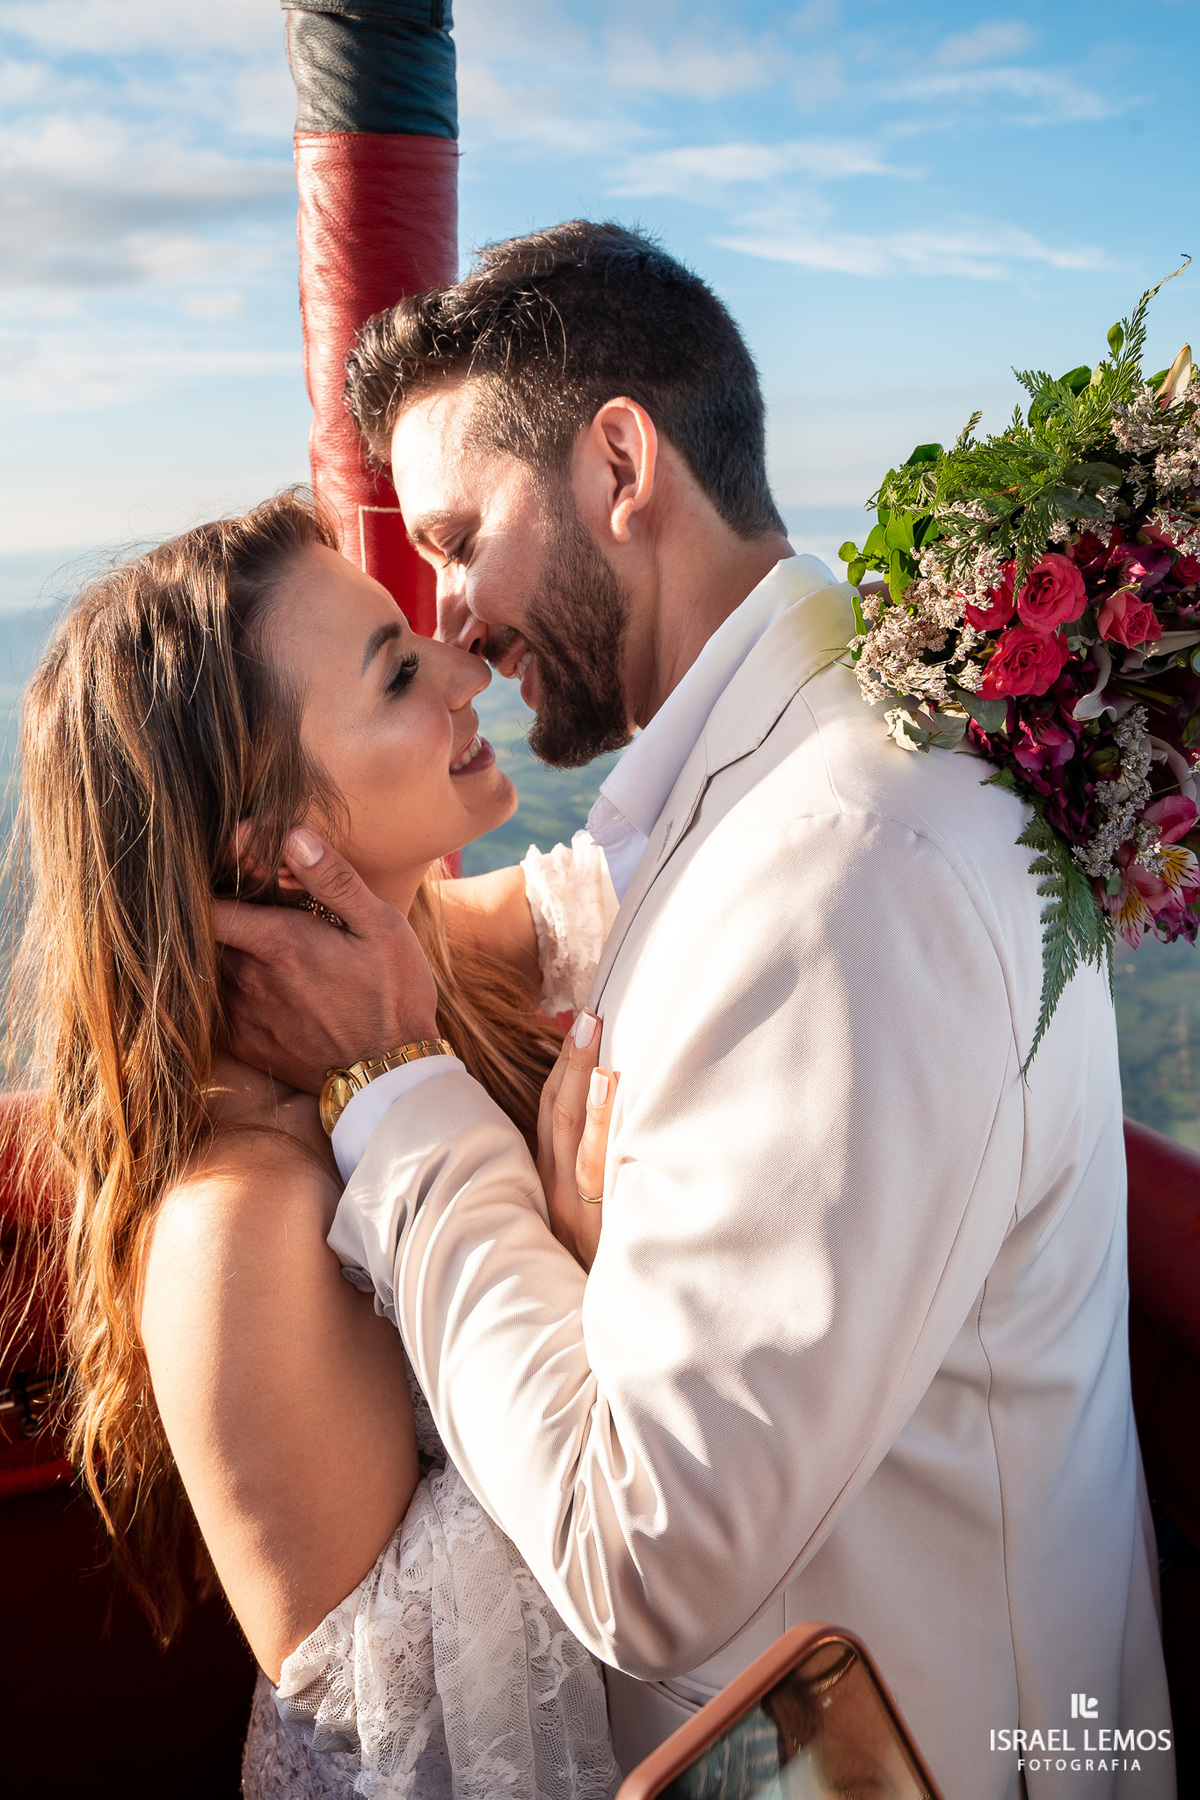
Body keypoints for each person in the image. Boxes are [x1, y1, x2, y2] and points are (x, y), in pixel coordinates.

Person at [217, 221, 1176, 1799]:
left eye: (459, 537)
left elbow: (646, 1562)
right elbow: (576, 902)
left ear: (619, 464)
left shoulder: (842, 869)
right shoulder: (778, 762)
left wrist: (396, 1092)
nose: (453, 625)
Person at [7, 493, 623, 1799]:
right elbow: (422, 1728)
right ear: (272, 845)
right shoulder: (240, 1221)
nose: (468, 671)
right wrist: (583, 1272)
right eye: (398, 673)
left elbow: (658, 888)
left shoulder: (443, 957)